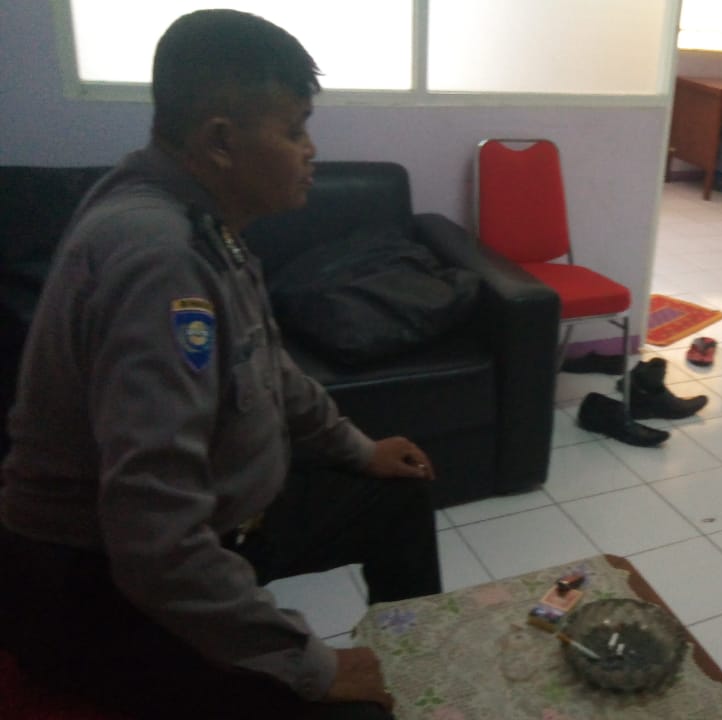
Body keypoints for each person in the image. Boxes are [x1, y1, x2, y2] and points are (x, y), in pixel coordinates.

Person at [0, 10, 441, 719]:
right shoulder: (158, 258)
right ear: (220, 142)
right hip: (98, 592)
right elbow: (154, 536)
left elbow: (270, 368)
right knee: (357, 706)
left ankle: (421, 663)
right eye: (294, 129)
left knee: (397, 493)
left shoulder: (207, 225)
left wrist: (359, 450)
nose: (311, 150)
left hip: (223, 526)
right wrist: (313, 667)